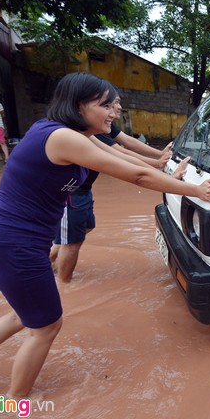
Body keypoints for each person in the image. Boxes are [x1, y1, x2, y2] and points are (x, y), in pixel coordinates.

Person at [0, 72, 210, 398]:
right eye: (106, 104)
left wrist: (165, 169)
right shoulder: (62, 138)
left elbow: (122, 157)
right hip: (14, 245)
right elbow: (135, 177)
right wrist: (196, 190)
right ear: (79, 106)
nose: (114, 112)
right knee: (47, 326)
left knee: (23, 317)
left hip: (9, 242)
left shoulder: (74, 134)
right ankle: (14, 405)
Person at [49, 98, 171, 283]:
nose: (118, 108)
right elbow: (123, 156)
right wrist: (159, 166)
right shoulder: (92, 131)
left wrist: (159, 156)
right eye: (112, 103)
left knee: (84, 229)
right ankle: (63, 285)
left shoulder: (102, 128)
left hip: (83, 190)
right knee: (71, 243)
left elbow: (127, 142)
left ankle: (47, 259)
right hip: (73, 192)